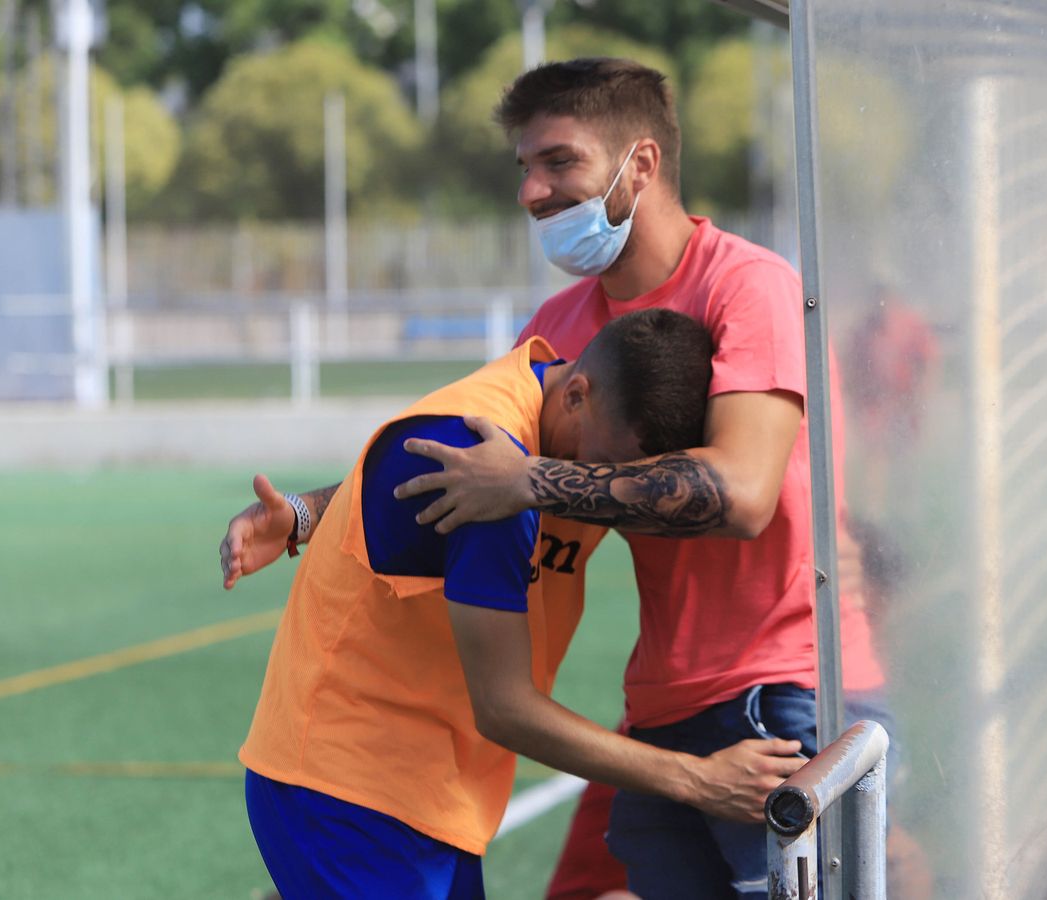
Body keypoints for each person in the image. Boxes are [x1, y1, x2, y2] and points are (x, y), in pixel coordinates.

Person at [221, 58, 892, 899]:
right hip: (657, 700)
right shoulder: (562, 324)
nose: (532, 191)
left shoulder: (747, 287)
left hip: (778, 688)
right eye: (524, 167)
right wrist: (312, 513)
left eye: (560, 162)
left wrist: (532, 483)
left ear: (639, 165)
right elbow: (463, 457)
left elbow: (743, 493)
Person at [231, 310, 808, 899]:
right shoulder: (486, 472)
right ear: (577, 394)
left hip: (430, 793)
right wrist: (701, 780)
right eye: (599, 465)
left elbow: (391, 486)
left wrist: (307, 511)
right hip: (347, 792)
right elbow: (504, 708)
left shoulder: (551, 401)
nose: (599, 484)